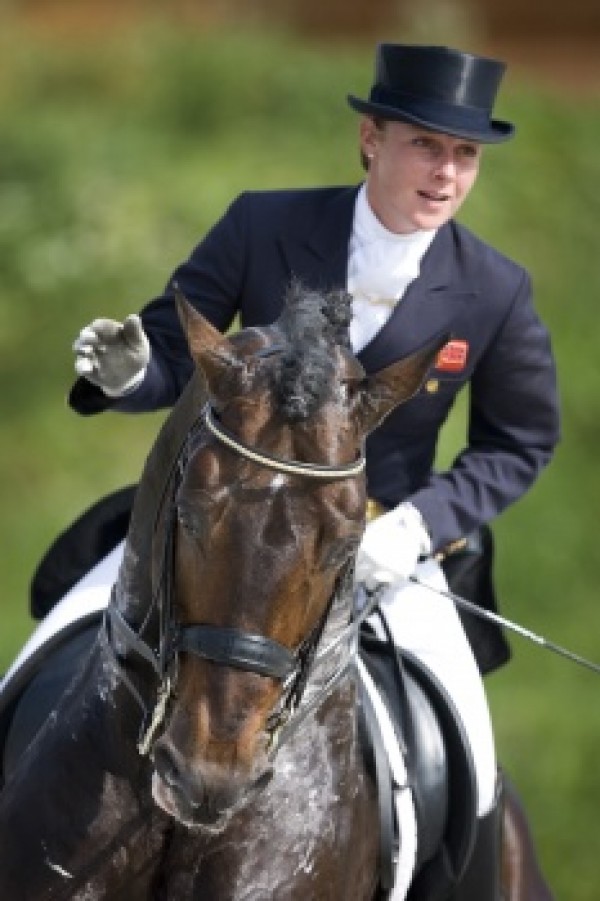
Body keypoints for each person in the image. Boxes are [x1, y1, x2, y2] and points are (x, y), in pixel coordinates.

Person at [69, 43, 560, 894]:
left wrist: (416, 528)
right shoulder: (263, 224)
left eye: (465, 155)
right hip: (221, 532)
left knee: (468, 753)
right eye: (426, 146)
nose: (446, 174)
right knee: (44, 658)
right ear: (371, 139)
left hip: (383, 551)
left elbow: (520, 441)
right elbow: (175, 357)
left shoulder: (494, 289)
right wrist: (122, 373)